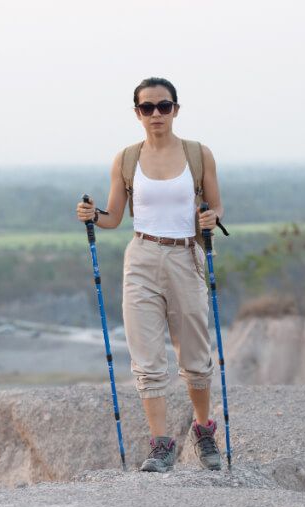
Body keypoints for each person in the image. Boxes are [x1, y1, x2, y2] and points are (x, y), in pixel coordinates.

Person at [76, 77, 224, 472]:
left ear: (176, 109)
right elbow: (114, 218)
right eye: (147, 107)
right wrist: (94, 217)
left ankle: (203, 429)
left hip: (185, 254)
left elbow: (217, 209)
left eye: (163, 106)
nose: (156, 114)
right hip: (141, 255)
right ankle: (161, 443)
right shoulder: (126, 159)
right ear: (137, 113)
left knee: (194, 352)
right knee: (146, 355)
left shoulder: (198, 155)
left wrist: (209, 218)